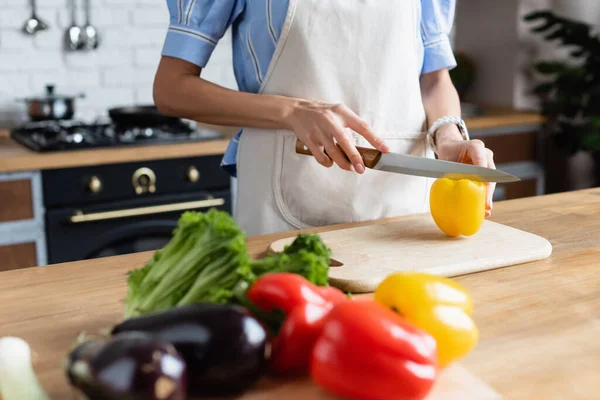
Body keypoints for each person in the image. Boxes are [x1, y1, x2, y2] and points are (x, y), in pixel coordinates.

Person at [154, 0, 496, 236]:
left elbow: (434, 79)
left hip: (403, 208)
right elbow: (171, 89)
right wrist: (292, 112)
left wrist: (448, 137)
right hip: (282, 208)